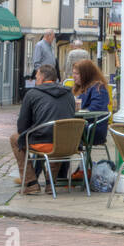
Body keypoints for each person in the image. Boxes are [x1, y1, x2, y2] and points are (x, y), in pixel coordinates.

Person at [10, 64, 77, 195]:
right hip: (67, 145)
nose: (35, 80)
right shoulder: (69, 93)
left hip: (43, 142)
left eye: (36, 77)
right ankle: (50, 183)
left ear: (41, 78)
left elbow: (22, 127)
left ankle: (31, 183)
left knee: (15, 138)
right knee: (58, 135)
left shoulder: (32, 94)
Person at [72, 58, 111, 144]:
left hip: (93, 129)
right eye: (73, 73)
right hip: (81, 126)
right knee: (55, 129)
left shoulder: (99, 88)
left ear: (87, 74)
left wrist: (78, 113)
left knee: (58, 131)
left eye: (77, 74)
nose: (73, 76)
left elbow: (96, 109)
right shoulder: (80, 88)